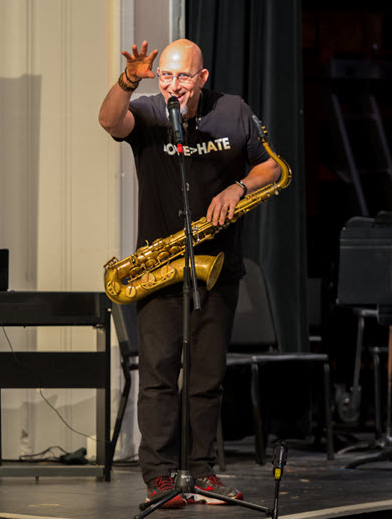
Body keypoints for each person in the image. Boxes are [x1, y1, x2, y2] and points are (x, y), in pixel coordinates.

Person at [99, 39, 280, 508]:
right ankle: (159, 476)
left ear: (201, 78)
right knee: (159, 374)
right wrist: (128, 79)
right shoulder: (150, 112)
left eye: (182, 77)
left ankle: (200, 471)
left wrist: (238, 187)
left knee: (206, 377)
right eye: (165, 76)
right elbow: (108, 121)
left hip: (217, 267)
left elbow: (270, 167)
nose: (172, 86)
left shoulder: (233, 111)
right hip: (160, 267)